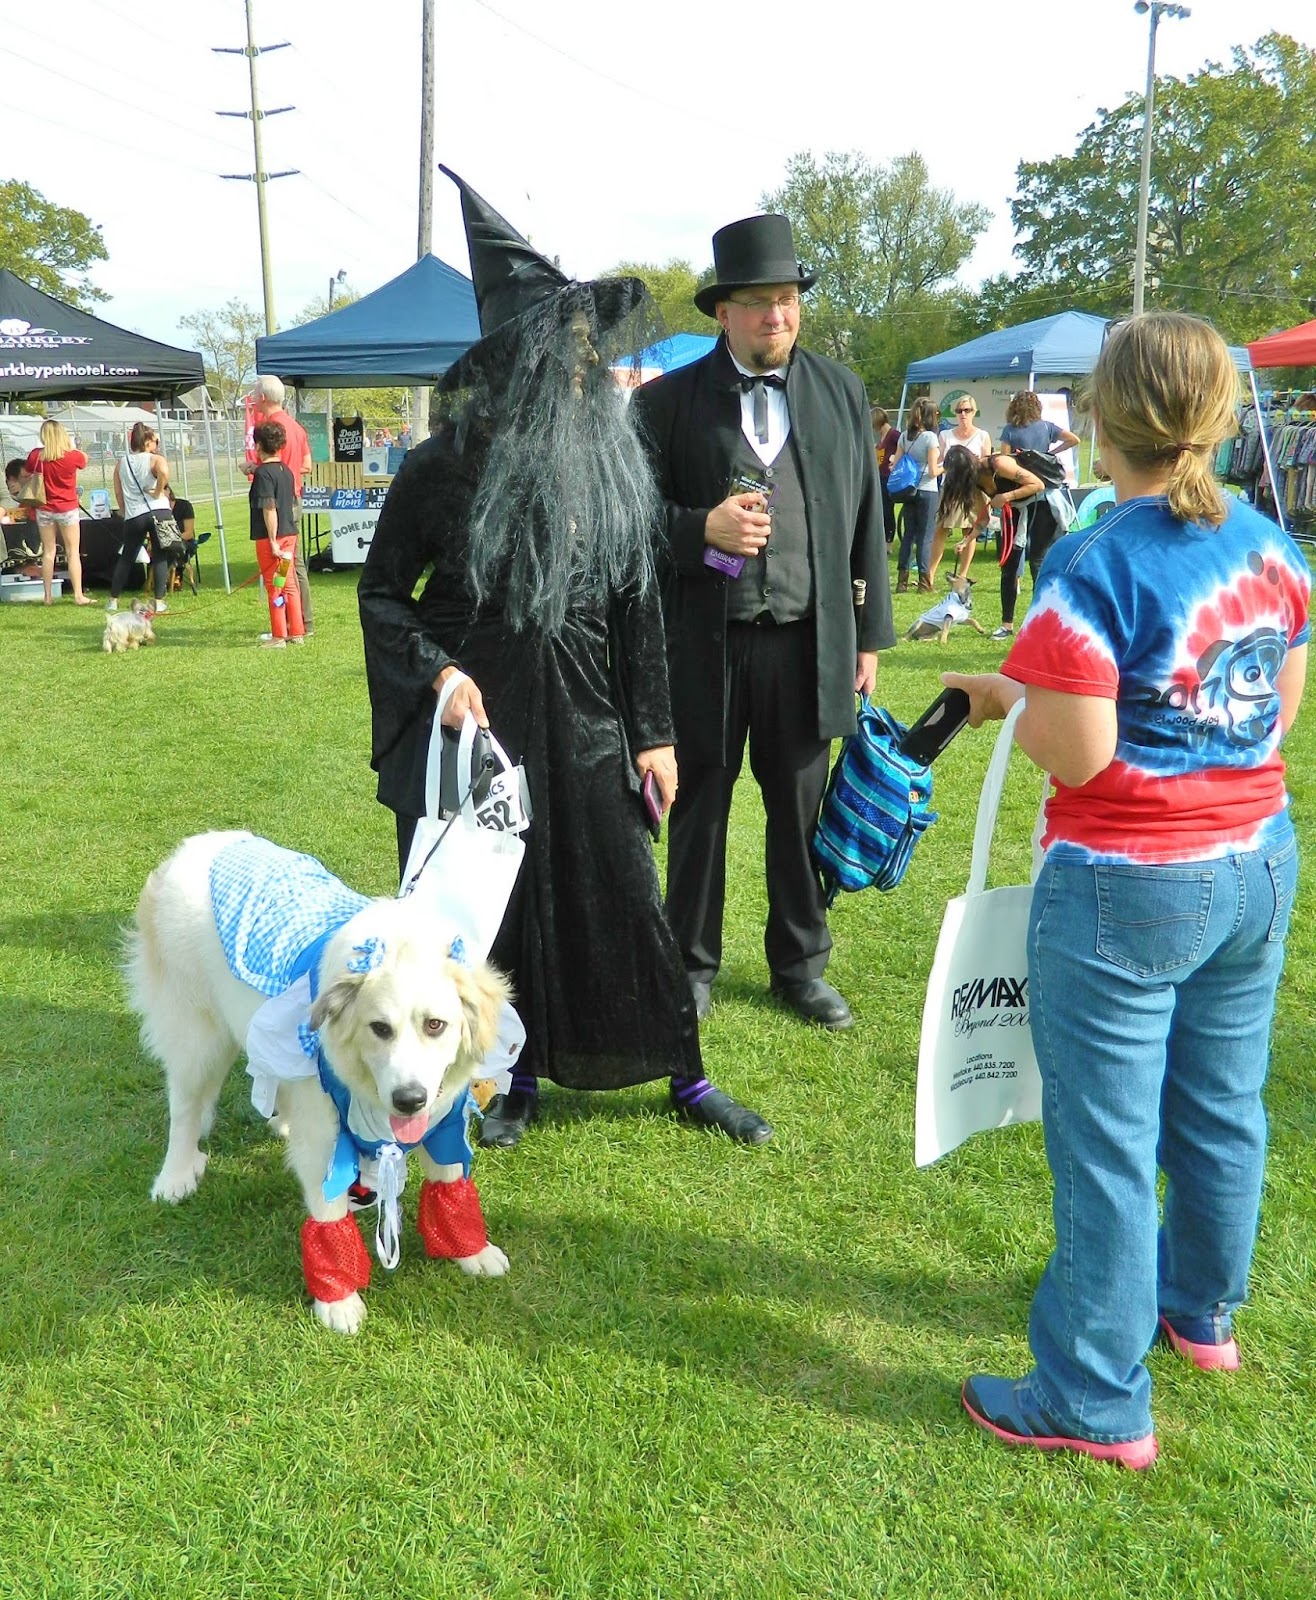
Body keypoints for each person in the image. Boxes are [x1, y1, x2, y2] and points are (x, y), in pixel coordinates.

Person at [943, 311, 1309, 1469]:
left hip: (1127, 884)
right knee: (1221, 1102)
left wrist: (1012, 699)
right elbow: (1275, 710)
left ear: (1104, 416)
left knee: (1105, 1141)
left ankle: (1091, 1393)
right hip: (1255, 862)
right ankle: (1197, 1310)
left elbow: (1082, 751)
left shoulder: (1090, 561)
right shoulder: (1269, 544)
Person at [359, 167, 772, 1148]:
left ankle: (684, 1072)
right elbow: (381, 596)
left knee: (624, 893)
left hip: (590, 715)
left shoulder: (609, 454)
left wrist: (654, 732)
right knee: (496, 909)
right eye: (570, 351)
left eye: (590, 349)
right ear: (521, 363)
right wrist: (438, 673)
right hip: (483, 722)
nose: (588, 368)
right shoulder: (439, 467)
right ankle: (515, 1073)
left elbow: (636, 599)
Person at [632, 212, 893, 1032]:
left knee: (801, 811)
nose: (776, 316)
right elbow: (627, 526)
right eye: (758, 302)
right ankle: (688, 966)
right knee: (699, 810)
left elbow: (867, 520)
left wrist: (869, 636)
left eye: (787, 300)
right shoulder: (666, 403)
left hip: (809, 641)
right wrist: (696, 530)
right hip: (703, 643)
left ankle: (800, 966)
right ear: (724, 312)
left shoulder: (841, 392)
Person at [249, 376, 314, 634]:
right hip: (293, 496)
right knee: (293, 565)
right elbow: (307, 465)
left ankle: (289, 626)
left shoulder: (271, 429)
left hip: (276, 504)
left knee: (281, 574)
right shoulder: (296, 427)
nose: (253, 400)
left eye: (255, 395)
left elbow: (269, 476)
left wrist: (257, 469)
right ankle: (299, 624)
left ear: (263, 398)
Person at [997, 390, 1082, 581]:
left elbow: (1004, 459)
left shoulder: (1009, 430)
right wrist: (1050, 454)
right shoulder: (1047, 427)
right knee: (1039, 557)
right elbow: (1074, 439)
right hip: (1045, 496)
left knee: (1014, 550)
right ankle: (1041, 591)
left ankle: (1014, 584)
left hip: (1019, 495)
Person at [948, 450, 1045, 589]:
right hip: (1017, 509)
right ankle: (1009, 601)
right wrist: (966, 541)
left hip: (1043, 504)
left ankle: (1043, 598)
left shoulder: (999, 464)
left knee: (1037, 560)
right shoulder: (975, 481)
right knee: (1008, 566)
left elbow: (1038, 485)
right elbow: (983, 518)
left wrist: (1006, 497)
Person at [248, 421, 305, 648]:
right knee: (287, 583)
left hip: (272, 538)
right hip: (289, 535)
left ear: (258, 445)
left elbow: (269, 507)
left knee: (275, 587)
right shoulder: (286, 471)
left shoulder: (263, 474)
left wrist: (272, 541)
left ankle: (279, 635)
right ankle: (296, 632)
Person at [26, 420, 92, 604]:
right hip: (68, 508)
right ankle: (78, 595)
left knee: (48, 552)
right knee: (72, 552)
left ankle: (47, 596)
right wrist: (74, 446)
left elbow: (28, 469)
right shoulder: (72, 456)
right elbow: (85, 459)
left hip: (44, 508)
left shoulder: (36, 456)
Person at [109, 422, 172, 614]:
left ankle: (113, 599)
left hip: (134, 514)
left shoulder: (121, 463)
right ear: (147, 441)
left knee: (127, 556)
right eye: (155, 441)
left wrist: (124, 510)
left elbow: (118, 492)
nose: (157, 444)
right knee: (160, 555)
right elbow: (164, 473)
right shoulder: (156, 459)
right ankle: (159, 600)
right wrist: (158, 491)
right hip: (159, 510)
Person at [890, 398, 941, 594]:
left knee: (908, 536)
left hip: (908, 490)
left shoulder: (904, 436)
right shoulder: (930, 438)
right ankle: (924, 583)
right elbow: (933, 471)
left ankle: (902, 581)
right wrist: (947, 466)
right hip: (927, 490)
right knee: (925, 537)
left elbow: (895, 464)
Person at [872, 405, 901, 552]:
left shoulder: (894, 435)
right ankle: (883, 539)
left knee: (888, 510)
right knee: (883, 510)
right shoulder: (882, 437)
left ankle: (888, 542)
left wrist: (895, 459)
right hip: (881, 476)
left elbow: (903, 448)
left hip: (889, 477)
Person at [937, 394, 991, 464]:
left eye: (967, 410)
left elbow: (986, 464)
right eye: (959, 411)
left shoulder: (983, 436)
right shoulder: (944, 435)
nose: (963, 414)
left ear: (973, 412)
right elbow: (939, 462)